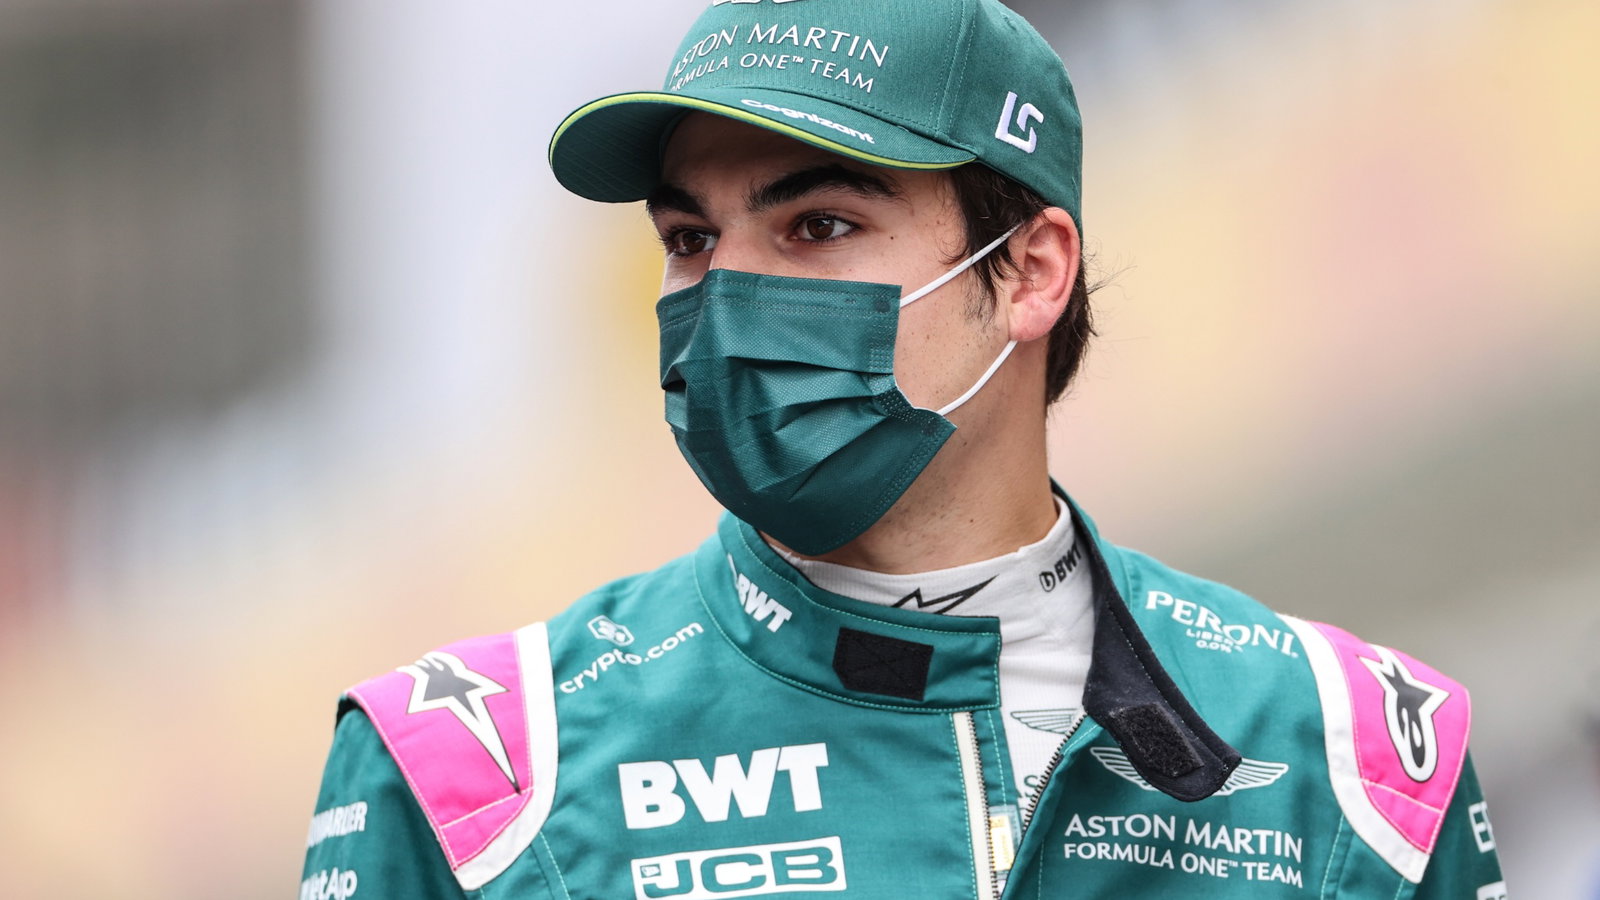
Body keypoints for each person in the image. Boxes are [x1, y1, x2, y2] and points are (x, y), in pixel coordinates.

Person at [300, 1, 1506, 897]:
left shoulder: (1358, 761)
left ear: (1030, 272)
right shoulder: (472, 774)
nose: (725, 300)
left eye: (817, 225)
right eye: (688, 239)